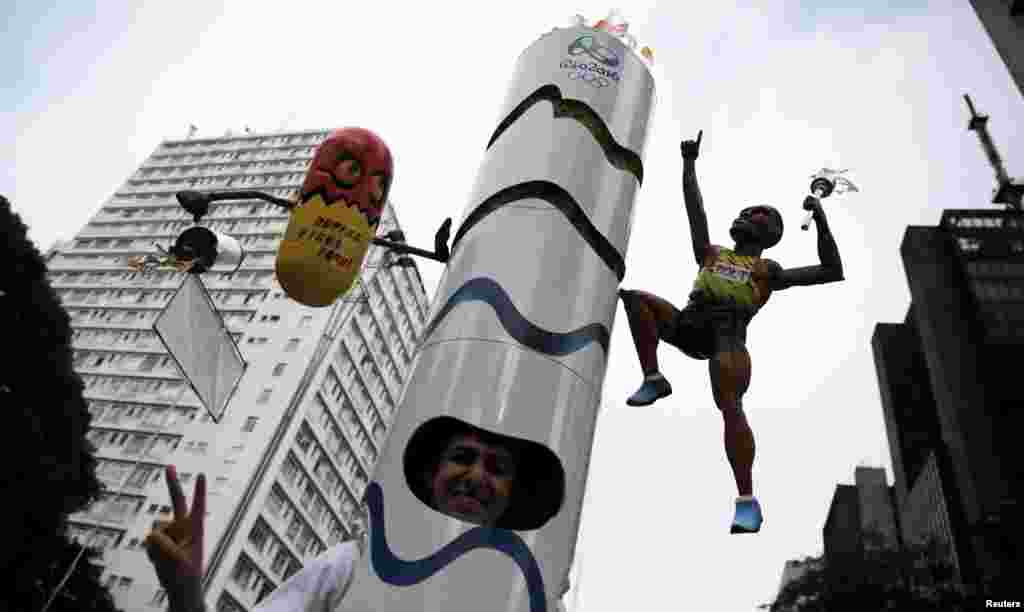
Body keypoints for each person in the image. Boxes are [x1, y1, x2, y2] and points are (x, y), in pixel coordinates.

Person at [618, 130, 845, 534]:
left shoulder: (767, 270)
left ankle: (746, 500)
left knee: (731, 407)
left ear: (771, 233)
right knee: (635, 299)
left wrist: (822, 219)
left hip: (728, 338)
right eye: (745, 210)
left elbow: (831, 272)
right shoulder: (712, 253)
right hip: (688, 324)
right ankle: (653, 377)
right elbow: (695, 212)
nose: (747, 214)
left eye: (758, 213)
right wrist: (689, 164)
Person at [145, 418, 563, 612]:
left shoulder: (533, 598)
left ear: (512, 496)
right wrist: (185, 595)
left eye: (497, 468)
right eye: (463, 458)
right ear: (431, 475)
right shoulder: (351, 563)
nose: (475, 475)